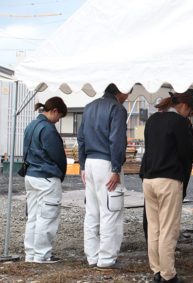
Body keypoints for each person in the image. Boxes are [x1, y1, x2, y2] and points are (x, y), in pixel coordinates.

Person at [141, 92, 193, 283]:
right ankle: (168, 274)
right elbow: (185, 152)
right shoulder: (179, 122)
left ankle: (156, 270)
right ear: (186, 107)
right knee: (168, 229)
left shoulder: (153, 119)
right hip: (169, 179)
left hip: (148, 179)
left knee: (154, 228)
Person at [78, 84, 129, 270]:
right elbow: (117, 140)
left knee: (92, 212)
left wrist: (82, 165)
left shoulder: (89, 106)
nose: (127, 96)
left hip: (90, 162)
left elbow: (81, 138)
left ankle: (92, 256)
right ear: (120, 90)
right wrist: (116, 168)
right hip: (107, 163)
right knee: (111, 211)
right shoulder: (117, 108)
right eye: (127, 92)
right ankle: (106, 259)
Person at [23, 97, 68, 264]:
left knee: (33, 217)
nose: (58, 120)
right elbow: (58, 156)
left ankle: (31, 254)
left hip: (31, 175)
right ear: (54, 110)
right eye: (59, 116)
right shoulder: (48, 129)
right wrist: (60, 173)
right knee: (47, 217)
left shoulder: (31, 126)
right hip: (46, 177)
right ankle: (42, 255)